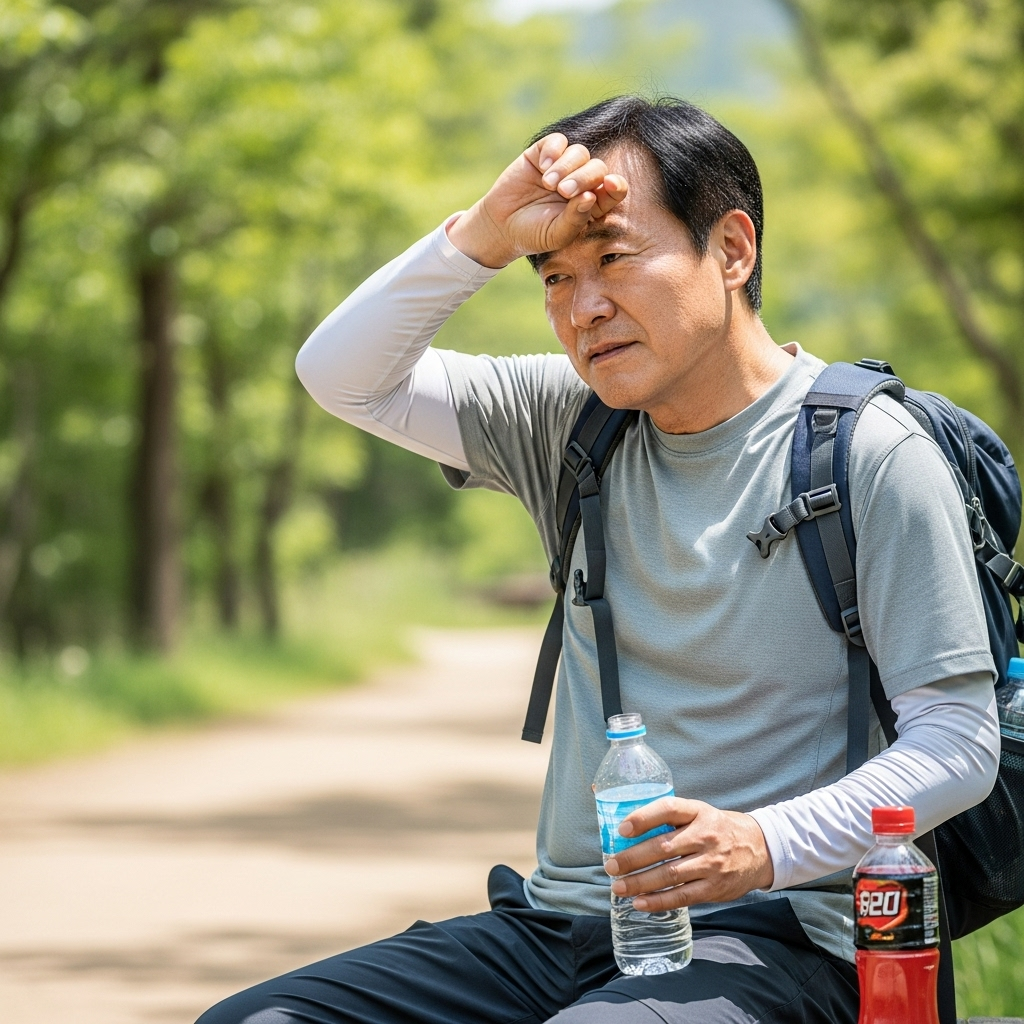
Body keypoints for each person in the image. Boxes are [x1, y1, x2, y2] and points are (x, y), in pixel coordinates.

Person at [197, 96, 1000, 1024]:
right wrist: (481, 236)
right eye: (554, 277)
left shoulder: (869, 452)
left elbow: (958, 741)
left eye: (615, 258)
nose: (585, 308)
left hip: (776, 935)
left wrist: (759, 843)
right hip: (560, 930)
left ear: (732, 251)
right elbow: (340, 373)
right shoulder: (571, 422)